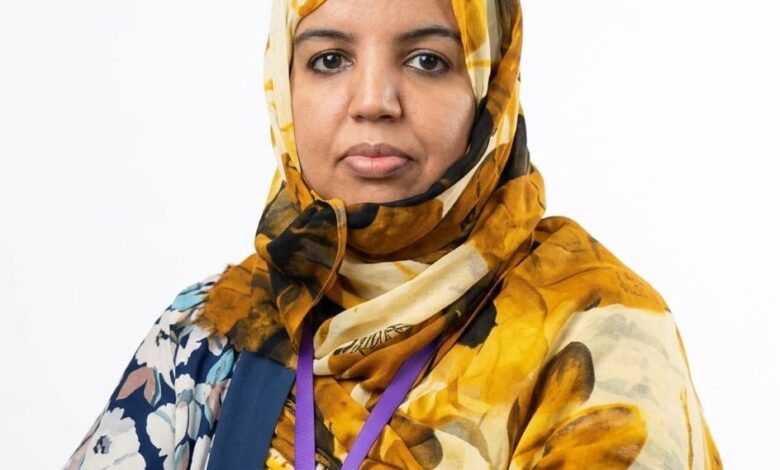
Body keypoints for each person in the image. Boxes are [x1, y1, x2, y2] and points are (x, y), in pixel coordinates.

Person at [65, 0, 722, 468]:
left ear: (492, 85)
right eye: (329, 59)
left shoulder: (597, 329)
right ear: (282, 83)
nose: (374, 99)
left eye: (428, 60)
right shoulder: (210, 333)